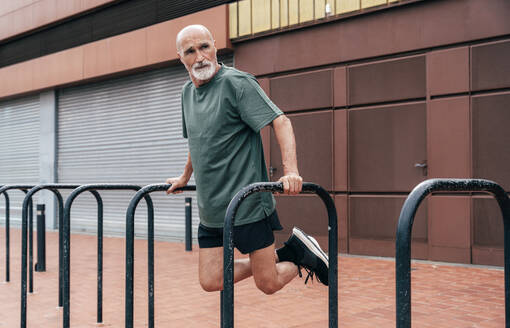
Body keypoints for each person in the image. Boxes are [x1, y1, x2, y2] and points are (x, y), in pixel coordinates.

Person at [166, 24, 328, 295]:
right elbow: (198, 140)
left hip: (247, 204)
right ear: (180, 58)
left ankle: (299, 256)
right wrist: (184, 177)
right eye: (190, 51)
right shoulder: (187, 94)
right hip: (211, 209)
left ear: (215, 46)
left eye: (204, 47)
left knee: (268, 283)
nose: (200, 56)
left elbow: (281, 121)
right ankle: (294, 250)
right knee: (210, 280)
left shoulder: (236, 83)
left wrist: (291, 171)